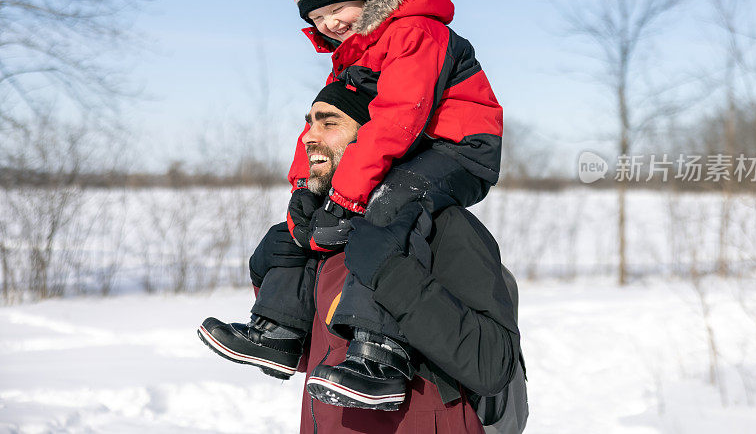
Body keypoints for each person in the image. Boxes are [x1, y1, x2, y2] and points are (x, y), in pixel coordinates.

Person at [201, 0, 504, 409]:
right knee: (303, 225)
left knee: (383, 209)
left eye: (336, 8)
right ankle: (280, 329)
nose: (329, 24)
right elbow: (327, 122)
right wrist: (307, 188)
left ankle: (379, 357)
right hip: (407, 150)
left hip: (458, 148)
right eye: (317, 18)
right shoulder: (351, 56)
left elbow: (398, 120)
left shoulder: (415, 31)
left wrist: (346, 197)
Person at [200, 84, 520, 433]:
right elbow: (323, 358)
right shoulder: (329, 237)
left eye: (328, 124)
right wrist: (264, 276)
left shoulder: (444, 226)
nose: (309, 137)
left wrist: (391, 274)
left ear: (373, 139)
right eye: (309, 124)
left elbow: (492, 365)